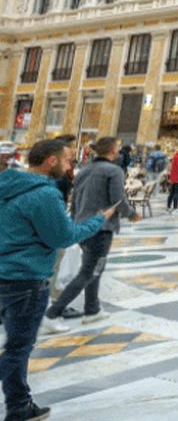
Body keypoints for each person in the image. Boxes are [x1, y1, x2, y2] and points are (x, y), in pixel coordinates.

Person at [0, 138, 117, 421]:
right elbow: (63, 237)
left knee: (13, 345)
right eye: (67, 160)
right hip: (25, 280)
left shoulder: (7, 183)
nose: (70, 166)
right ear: (51, 161)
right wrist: (98, 220)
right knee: (18, 347)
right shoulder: (43, 193)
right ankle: (18, 407)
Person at [44, 137, 141, 328]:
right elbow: (118, 200)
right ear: (114, 150)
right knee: (89, 271)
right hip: (101, 227)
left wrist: (73, 223)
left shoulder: (84, 170)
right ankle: (52, 314)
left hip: (82, 225)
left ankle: (92, 309)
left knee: (95, 267)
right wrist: (131, 214)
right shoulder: (114, 171)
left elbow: (76, 199)